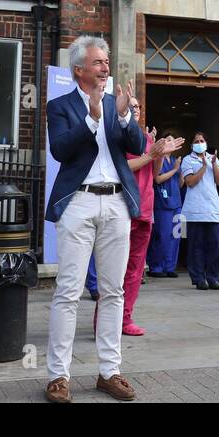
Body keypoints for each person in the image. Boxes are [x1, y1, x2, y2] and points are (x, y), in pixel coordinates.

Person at [43, 35, 146, 404]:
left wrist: (122, 114)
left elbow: (136, 145)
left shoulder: (116, 102)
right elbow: (61, 149)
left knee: (113, 291)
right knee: (68, 291)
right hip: (79, 203)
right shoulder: (61, 106)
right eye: (98, 62)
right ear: (79, 70)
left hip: (117, 204)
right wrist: (92, 118)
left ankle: (109, 372)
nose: (105, 67)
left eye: (107, 61)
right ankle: (58, 376)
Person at [121, 100, 184, 335]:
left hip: (146, 208)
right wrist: (152, 155)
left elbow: (154, 174)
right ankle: (107, 320)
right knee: (117, 270)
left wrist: (159, 155)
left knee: (136, 270)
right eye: (130, 105)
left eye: (138, 106)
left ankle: (126, 318)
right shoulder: (116, 134)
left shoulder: (147, 139)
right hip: (124, 207)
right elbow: (122, 167)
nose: (136, 109)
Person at [179, 131, 219, 290]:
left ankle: (213, 278)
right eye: (197, 141)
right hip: (194, 210)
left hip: (212, 210)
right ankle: (198, 278)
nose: (200, 143)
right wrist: (204, 167)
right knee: (196, 246)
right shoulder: (187, 160)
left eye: (202, 140)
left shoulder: (214, 159)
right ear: (192, 145)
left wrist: (212, 164)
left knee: (215, 246)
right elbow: (190, 182)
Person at [147, 152, 183, 277]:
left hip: (177, 203)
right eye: (168, 140)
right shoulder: (158, 159)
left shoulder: (175, 160)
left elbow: (180, 184)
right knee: (162, 236)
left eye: (172, 140)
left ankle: (170, 267)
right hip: (163, 204)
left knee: (177, 236)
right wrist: (175, 169)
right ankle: (156, 267)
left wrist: (180, 171)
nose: (170, 142)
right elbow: (157, 179)